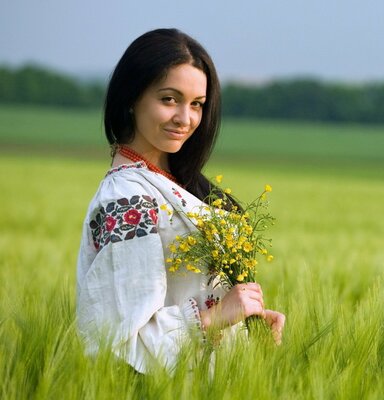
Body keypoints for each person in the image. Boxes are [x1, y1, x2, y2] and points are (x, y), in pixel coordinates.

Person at [76, 28, 285, 373]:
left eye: (197, 104)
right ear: (132, 97)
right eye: (169, 99)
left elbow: (193, 292)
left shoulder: (177, 184)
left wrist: (247, 324)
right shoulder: (130, 200)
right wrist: (216, 316)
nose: (185, 119)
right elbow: (118, 342)